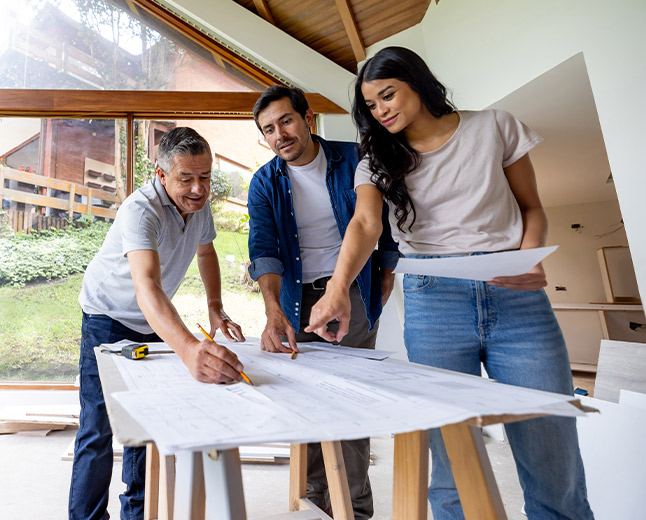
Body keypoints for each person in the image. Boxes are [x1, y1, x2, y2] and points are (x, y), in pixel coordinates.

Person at [307, 46, 594, 520]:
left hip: (516, 295)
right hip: (432, 298)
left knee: (552, 448)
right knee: (451, 455)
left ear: (416, 82)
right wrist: (337, 291)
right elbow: (363, 225)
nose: (382, 111)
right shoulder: (376, 159)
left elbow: (532, 208)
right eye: (373, 106)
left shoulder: (495, 126)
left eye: (388, 95)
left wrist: (529, 255)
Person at [69, 127, 246, 520]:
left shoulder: (199, 206)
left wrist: (215, 305)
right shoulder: (140, 209)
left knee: (145, 425)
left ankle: (137, 514)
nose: (199, 189)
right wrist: (187, 349)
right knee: (99, 428)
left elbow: (206, 252)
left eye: (205, 177)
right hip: (108, 316)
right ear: (161, 174)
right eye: (186, 178)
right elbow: (146, 285)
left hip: (153, 322)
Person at [246, 85, 399, 519]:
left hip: (350, 288)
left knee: (350, 402)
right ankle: (313, 504)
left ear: (307, 118)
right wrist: (272, 311)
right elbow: (265, 248)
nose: (280, 134)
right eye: (269, 129)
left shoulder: (355, 158)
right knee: (304, 402)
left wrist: (383, 280)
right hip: (295, 298)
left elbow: (381, 227)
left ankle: (352, 510)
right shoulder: (264, 182)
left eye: (286, 121)